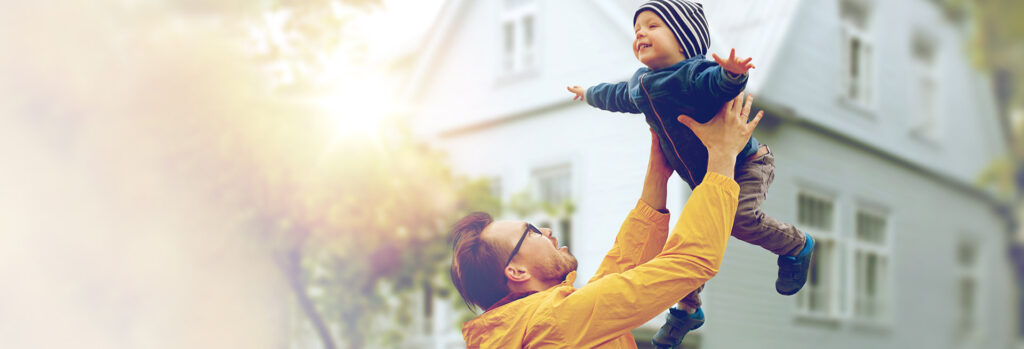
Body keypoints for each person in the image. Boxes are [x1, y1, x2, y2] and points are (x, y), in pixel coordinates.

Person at [565, 1, 814, 346]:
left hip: (747, 164)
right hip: (707, 180)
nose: (640, 33)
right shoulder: (641, 84)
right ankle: (687, 309)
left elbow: (718, 83)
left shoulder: (693, 74)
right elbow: (616, 94)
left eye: (653, 26)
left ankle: (796, 245)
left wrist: (733, 74)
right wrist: (589, 93)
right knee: (691, 238)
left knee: (740, 220)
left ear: (684, 40)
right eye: (637, 29)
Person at [449, 92, 761, 348]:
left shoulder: (529, 327)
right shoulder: (553, 321)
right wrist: (722, 156)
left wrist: (658, 169)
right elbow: (692, 261)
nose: (545, 229)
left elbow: (621, 271)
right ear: (516, 272)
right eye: (530, 231)